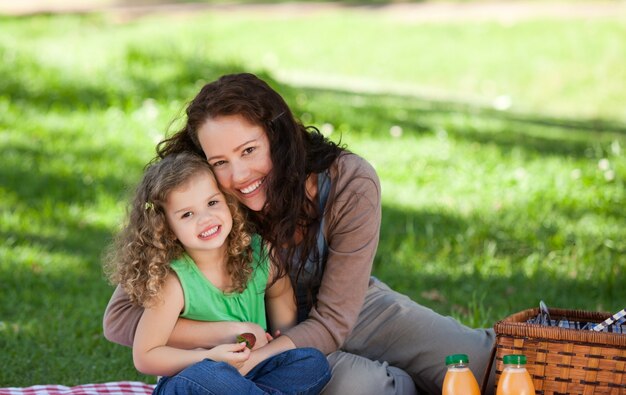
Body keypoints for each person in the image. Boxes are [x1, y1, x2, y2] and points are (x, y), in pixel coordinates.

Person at [104, 73, 496, 395]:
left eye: (249, 150)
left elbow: (334, 319)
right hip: (258, 336)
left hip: (345, 308)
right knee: (371, 387)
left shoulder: (349, 182)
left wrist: (265, 354)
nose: (238, 177)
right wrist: (236, 337)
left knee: (478, 362)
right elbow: (121, 320)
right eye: (219, 161)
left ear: (277, 134)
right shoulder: (205, 200)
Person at [103, 152, 331, 395]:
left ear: (228, 203)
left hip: (252, 371)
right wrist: (209, 357)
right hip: (195, 377)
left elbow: (280, 290)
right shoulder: (175, 280)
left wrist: (281, 336)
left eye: (212, 203)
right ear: (166, 229)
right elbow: (146, 356)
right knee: (216, 376)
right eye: (187, 214)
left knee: (312, 363)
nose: (206, 219)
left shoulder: (256, 252)